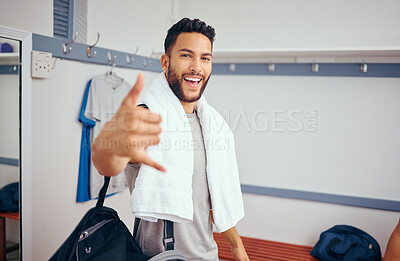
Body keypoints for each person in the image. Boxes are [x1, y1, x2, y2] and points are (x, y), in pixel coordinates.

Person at [91, 17, 249, 260]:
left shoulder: (213, 126)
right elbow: (107, 163)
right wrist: (110, 141)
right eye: (186, 55)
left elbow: (215, 197)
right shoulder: (146, 118)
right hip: (159, 257)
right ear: (166, 62)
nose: (197, 66)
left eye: (205, 58)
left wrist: (236, 246)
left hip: (207, 255)